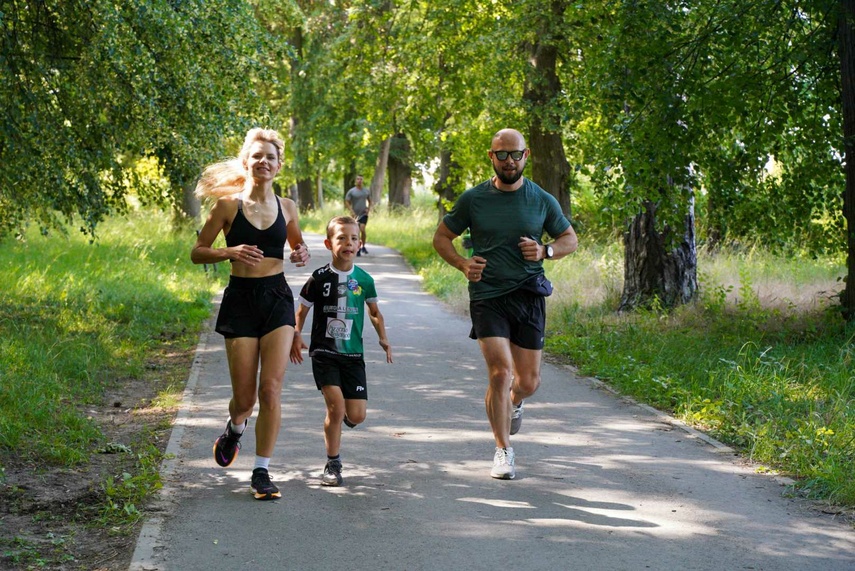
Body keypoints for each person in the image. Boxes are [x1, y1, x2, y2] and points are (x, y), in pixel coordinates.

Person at [432, 128, 578, 480]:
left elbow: (569, 238)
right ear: (491, 157)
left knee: (527, 381)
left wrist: (546, 251)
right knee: (500, 372)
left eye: (516, 154)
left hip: (528, 293)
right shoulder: (474, 199)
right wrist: (463, 264)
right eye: (502, 155)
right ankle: (503, 450)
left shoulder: (541, 199)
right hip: (488, 295)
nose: (509, 161)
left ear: (526, 156)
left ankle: (515, 402)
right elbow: (441, 237)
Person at [191, 127, 310, 500]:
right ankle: (235, 428)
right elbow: (198, 251)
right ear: (247, 161)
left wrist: (300, 254)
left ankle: (261, 471)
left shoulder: (287, 206)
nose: (263, 162)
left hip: (277, 298)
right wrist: (230, 251)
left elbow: (298, 246)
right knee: (245, 400)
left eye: (270, 157)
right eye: (257, 156)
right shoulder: (227, 206)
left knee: (271, 389)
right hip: (241, 299)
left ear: (278, 165)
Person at [290, 216, 393, 487]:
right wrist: (296, 333)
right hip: (324, 352)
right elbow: (302, 309)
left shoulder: (364, 280)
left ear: (360, 243)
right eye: (341, 238)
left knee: (356, 415)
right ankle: (333, 464)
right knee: (335, 408)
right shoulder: (319, 278)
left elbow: (374, 312)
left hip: (353, 355)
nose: (349, 243)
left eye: (354, 238)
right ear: (328, 243)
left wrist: (383, 338)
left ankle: (346, 417)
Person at [345, 175, 371, 256]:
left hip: (363, 214)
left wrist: (368, 209)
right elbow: (347, 201)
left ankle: (363, 246)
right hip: (355, 215)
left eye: (361, 179)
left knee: (362, 229)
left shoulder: (366, 191)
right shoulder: (351, 191)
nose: (359, 180)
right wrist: (351, 210)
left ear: (362, 181)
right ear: (355, 181)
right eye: (358, 179)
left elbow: (370, 201)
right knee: (357, 231)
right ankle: (358, 248)